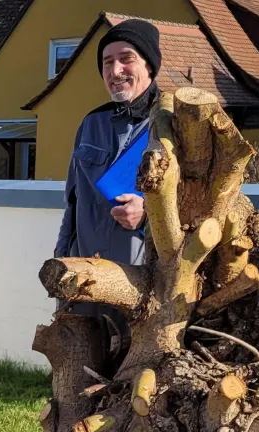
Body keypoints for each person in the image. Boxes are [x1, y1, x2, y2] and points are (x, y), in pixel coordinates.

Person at [55, 18, 161, 268]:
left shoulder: (174, 124)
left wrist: (149, 213)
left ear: (149, 65)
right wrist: (61, 262)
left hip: (144, 279)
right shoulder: (91, 123)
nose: (115, 71)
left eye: (126, 58)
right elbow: (73, 205)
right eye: (107, 62)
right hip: (86, 274)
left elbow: (200, 207)